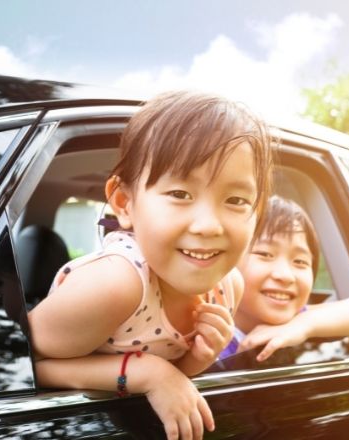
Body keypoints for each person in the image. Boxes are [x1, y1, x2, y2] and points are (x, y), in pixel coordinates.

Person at [27, 90, 273, 440]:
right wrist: (147, 374)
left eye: (236, 200)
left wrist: (196, 361)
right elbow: (22, 366)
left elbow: (176, 379)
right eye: (180, 194)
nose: (208, 225)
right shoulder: (115, 285)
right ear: (125, 203)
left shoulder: (227, 287)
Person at [220, 195, 349, 361]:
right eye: (265, 254)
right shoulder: (205, 335)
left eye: (300, 261)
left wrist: (304, 325)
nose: (286, 276)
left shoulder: (298, 319)